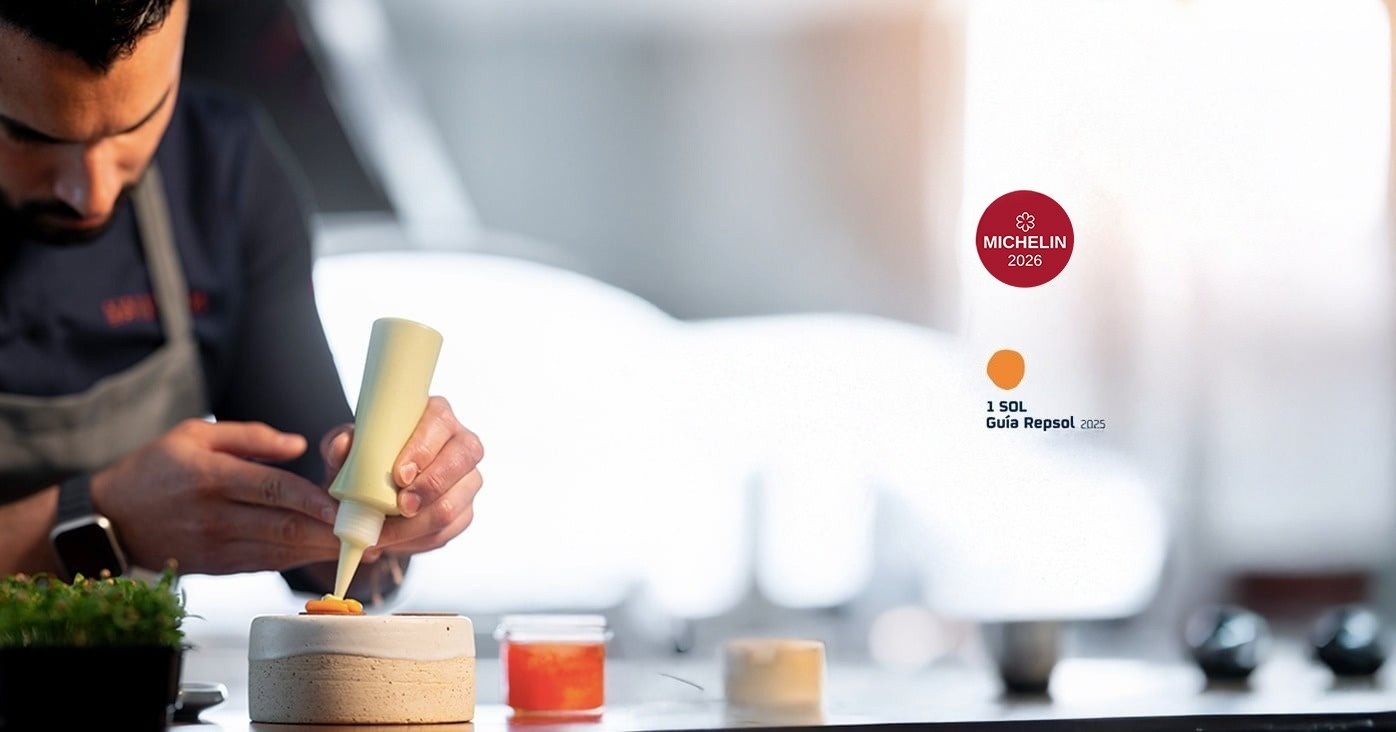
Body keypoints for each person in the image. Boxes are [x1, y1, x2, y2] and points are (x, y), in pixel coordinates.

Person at [0, 0, 484, 602]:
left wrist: (395, 508)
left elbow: (343, 550)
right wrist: (103, 521)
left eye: (135, 125)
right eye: (27, 135)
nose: (90, 192)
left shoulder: (225, 175)